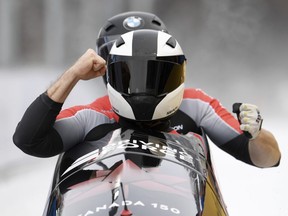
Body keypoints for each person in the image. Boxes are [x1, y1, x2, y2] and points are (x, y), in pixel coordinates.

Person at [13, 11, 280, 168]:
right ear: (105, 65)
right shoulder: (93, 115)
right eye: (128, 67)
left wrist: (256, 135)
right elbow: (28, 139)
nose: (141, 80)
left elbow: (267, 159)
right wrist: (71, 74)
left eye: (151, 67)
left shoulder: (197, 105)